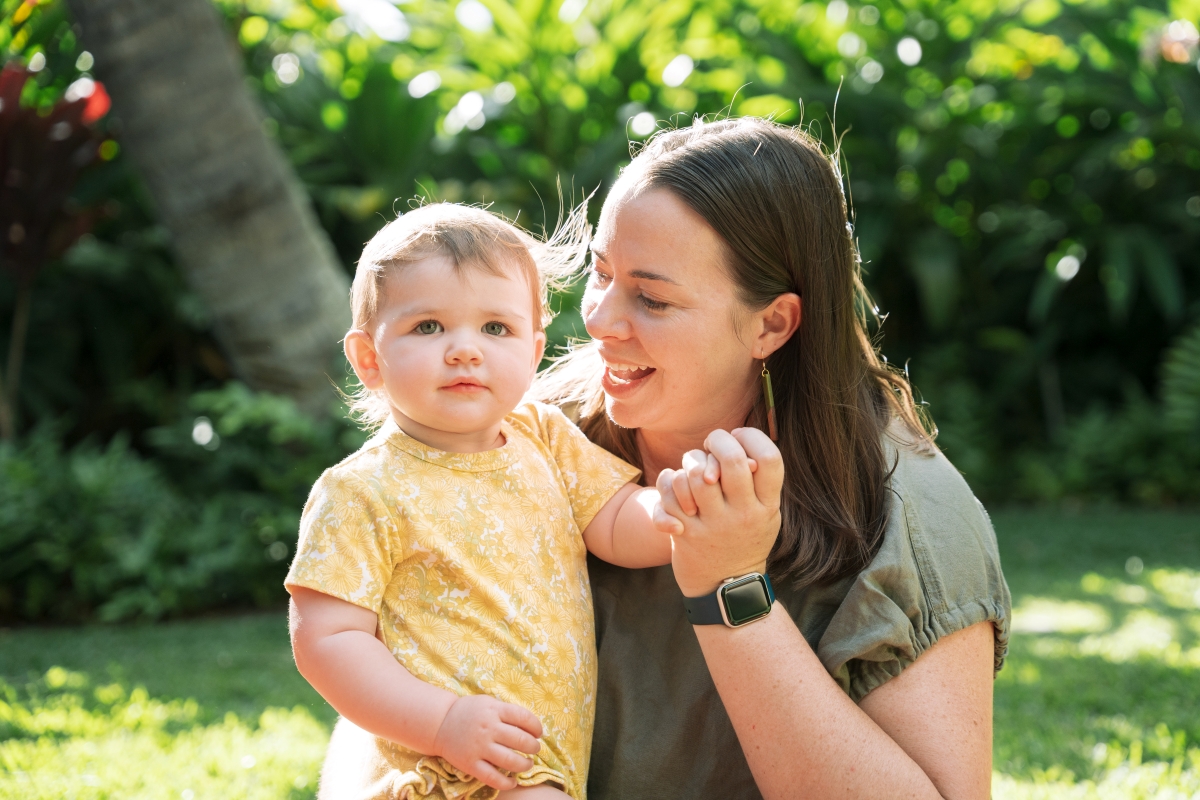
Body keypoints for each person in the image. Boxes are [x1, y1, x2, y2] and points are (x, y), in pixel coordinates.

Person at [534, 116, 1012, 799]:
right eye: (601, 274)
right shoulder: (526, 436)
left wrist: (728, 586)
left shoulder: (910, 515)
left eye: (651, 297)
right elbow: (381, 729)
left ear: (772, 324)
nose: (600, 321)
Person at [285, 203, 673, 800]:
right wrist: (442, 722)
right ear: (369, 359)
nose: (465, 350)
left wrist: (678, 508)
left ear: (534, 349)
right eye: (429, 327)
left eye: (496, 328)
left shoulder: (543, 436)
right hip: (450, 766)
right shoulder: (361, 491)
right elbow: (327, 640)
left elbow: (617, 522)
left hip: (538, 756)